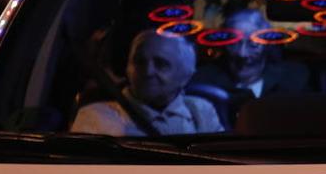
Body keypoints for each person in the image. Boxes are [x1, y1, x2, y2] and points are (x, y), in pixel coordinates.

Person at [72, 29, 222, 135]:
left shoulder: (201, 111)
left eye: (161, 64)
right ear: (128, 68)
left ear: (185, 75)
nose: (148, 72)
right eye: (139, 62)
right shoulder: (96, 117)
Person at [187, 6, 310, 126]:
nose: (242, 53)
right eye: (234, 43)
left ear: (267, 44)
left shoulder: (295, 79)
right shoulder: (201, 81)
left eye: (253, 44)